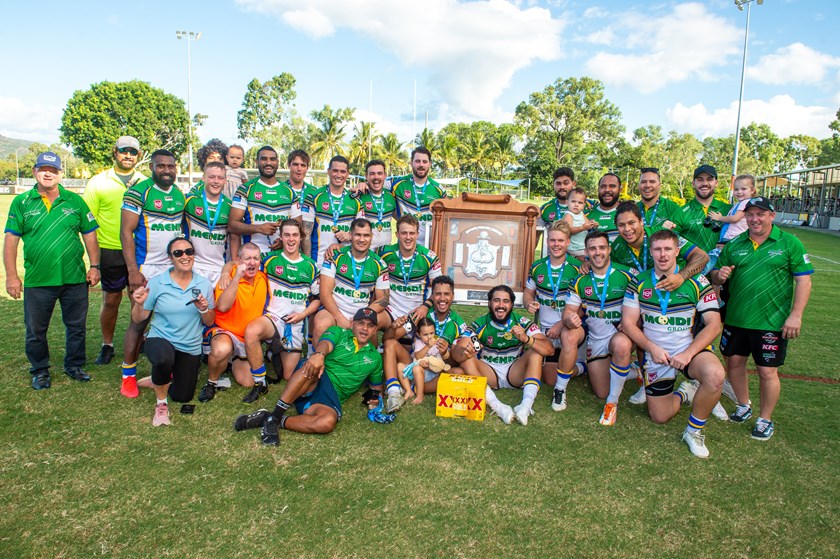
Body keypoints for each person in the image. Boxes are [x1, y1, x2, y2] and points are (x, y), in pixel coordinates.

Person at [711, 197, 813, 441]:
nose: (755, 219)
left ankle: (765, 418)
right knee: (734, 363)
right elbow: (716, 276)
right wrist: (719, 274)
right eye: (750, 214)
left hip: (772, 321)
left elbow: (803, 280)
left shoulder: (789, 243)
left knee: (767, 371)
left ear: (772, 215)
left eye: (761, 214)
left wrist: (796, 316)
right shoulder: (735, 244)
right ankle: (744, 405)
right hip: (736, 318)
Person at [621, 229, 725, 458]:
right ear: (652, 252)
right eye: (657, 249)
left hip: (688, 351)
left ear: (677, 251)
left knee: (715, 375)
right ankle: (685, 392)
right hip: (656, 355)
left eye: (668, 249)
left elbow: (714, 325)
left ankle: (693, 431)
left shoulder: (698, 281)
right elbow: (628, 324)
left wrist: (688, 354)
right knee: (660, 416)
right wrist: (651, 348)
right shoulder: (639, 282)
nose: (663, 254)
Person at [4, 152, 100, 390]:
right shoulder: (22, 202)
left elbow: (90, 234)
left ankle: (75, 365)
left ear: (60, 174)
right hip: (38, 279)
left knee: (76, 326)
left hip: (74, 277)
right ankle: (40, 370)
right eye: (43, 169)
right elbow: (11, 240)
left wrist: (95, 266)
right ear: (35, 172)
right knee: (36, 329)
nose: (48, 173)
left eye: (53, 170)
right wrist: (12, 276)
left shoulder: (74, 201)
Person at [233, 307, 383, 446]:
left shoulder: (375, 358)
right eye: (361, 323)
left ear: (375, 329)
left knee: (327, 422)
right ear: (352, 323)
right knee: (314, 365)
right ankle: (277, 413)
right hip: (314, 379)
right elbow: (326, 343)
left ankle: (271, 419)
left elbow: (376, 389)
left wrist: (376, 400)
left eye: (370, 326)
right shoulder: (339, 332)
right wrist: (319, 354)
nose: (365, 328)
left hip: (329, 397)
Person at [611, 201, 708, 405]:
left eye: (631, 223)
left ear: (641, 221)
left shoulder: (659, 234)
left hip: (679, 295)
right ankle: (646, 383)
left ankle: (700, 382)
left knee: (691, 336)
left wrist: (681, 276)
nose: (627, 229)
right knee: (638, 329)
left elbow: (702, 256)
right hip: (647, 298)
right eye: (621, 225)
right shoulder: (618, 246)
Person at [119, 149, 186, 398]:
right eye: (161, 166)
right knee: (139, 322)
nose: (166, 170)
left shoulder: (180, 195)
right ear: (152, 167)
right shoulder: (139, 192)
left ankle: (164, 372)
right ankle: (128, 376)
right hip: (145, 267)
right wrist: (133, 270)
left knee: (173, 320)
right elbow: (126, 232)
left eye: (171, 166)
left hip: (171, 268)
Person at [130, 237, 215, 426]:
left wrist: (203, 308)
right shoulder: (158, 282)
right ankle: (161, 405)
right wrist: (139, 304)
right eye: (178, 253)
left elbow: (210, 320)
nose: (185, 256)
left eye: (189, 252)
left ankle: (157, 379)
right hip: (161, 338)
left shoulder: (204, 284)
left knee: (182, 396)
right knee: (163, 360)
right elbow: (139, 319)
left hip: (190, 346)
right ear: (171, 258)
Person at [82, 136, 146, 365]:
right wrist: (94, 261)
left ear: (138, 155)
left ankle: (138, 341)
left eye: (133, 152)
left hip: (138, 250)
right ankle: (107, 344)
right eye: (124, 150)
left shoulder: (145, 182)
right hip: (109, 249)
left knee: (138, 298)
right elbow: (87, 222)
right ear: (115, 152)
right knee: (111, 300)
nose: (128, 155)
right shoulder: (98, 182)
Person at [241, 220, 320, 402]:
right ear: (281, 237)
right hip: (273, 319)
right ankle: (260, 383)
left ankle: (272, 351)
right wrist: (224, 272)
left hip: (294, 325)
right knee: (252, 331)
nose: (291, 239)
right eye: (287, 235)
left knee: (288, 374)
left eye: (295, 235)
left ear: (301, 237)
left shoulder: (311, 266)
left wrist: (302, 315)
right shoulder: (269, 259)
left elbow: (317, 299)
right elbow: (244, 264)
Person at [561, 231, 634, 425]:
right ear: (586, 252)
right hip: (596, 338)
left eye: (602, 247)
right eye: (593, 248)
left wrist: (633, 326)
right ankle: (631, 370)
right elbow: (568, 312)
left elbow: (642, 306)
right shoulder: (579, 280)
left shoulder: (626, 274)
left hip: (620, 335)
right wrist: (570, 320)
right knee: (601, 391)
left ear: (609, 250)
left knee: (621, 345)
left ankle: (612, 405)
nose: (598, 252)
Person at [467, 285, 554, 426]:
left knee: (536, 351)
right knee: (466, 358)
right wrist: (467, 350)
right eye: (496, 300)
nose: (501, 305)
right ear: (489, 303)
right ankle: (498, 406)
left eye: (506, 301)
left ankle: (525, 406)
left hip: (515, 372)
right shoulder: (480, 323)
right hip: (489, 374)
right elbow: (459, 350)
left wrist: (527, 339)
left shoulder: (522, 322)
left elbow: (549, 350)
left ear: (512, 304)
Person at [383, 275, 471, 412]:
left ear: (453, 296)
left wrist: (445, 353)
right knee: (390, 344)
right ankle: (394, 391)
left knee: (459, 372)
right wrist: (393, 327)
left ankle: (414, 387)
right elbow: (388, 339)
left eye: (446, 294)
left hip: (437, 369)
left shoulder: (458, 324)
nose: (442, 298)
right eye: (438, 294)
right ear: (432, 296)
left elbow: (454, 362)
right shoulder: (421, 315)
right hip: (415, 362)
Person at [198, 243, 269, 404]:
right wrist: (235, 277)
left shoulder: (263, 277)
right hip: (225, 331)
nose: (252, 263)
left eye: (256, 258)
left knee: (247, 381)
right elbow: (222, 306)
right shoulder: (229, 277)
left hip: (247, 338)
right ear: (239, 261)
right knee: (222, 348)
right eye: (248, 258)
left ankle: (230, 361)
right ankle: (212, 382)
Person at [523, 221, 585, 406]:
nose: (556, 244)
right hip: (546, 331)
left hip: (569, 328)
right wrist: (529, 303)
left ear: (568, 242)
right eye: (552, 240)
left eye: (560, 240)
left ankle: (560, 390)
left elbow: (584, 306)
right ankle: (583, 367)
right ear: (547, 241)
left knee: (568, 337)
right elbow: (528, 292)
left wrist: (561, 324)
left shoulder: (579, 268)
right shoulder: (537, 266)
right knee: (549, 378)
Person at [312, 218, 389, 346]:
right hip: (335, 309)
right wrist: (339, 317)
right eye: (358, 234)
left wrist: (363, 315)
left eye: (366, 235)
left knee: (372, 323)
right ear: (351, 235)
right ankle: (320, 362)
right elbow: (324, 293)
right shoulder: (335, 256)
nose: (362, 239)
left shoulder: (379, 264)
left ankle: (367, 361)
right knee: (321, 324)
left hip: (361, 311)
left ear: (371, 237)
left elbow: (384, 300)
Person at [377, 214, 442, 336]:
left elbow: (439, 290)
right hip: (391, 310)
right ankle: (370, 353)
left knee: (394, 341)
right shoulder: (384, 253)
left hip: (417, 310)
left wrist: (425, 306)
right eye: (404, 233)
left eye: (412, 233)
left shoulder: (429, 257)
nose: (408, 237)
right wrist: (339, 247)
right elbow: (362, 254)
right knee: (371, 322)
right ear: (397, 234)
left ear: (417, 234)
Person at [228, 145, 294, 256]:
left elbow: (298, 225)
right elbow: (232, 225)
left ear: (277, 162)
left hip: (282, 258)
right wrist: (259, 228)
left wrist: (283, 241)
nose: (268, 163)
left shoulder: (289, 191)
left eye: (272, 159)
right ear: (256, 162)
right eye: (264, 159)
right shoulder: (245, 189)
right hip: (253, 258)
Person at [306, 155, 363, 265]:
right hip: (319, 260)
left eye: (342, 171)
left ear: (347, 174)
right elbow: (306, 233)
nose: (338, 175)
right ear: (328, 171)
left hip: (346, 261)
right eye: (335, 171)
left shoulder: (356, 201)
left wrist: (350, 236)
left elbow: (363, 232)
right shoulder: (314, 196)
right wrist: (309, 263)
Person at [183, 161, 234, 283]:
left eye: (220, 178)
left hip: (219, 268)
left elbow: (234, 236)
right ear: (204, 178)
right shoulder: (190, 201)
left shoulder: (230, 206)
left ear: (225, 181)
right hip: (193, 266)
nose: (216, 181)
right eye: (211, 177)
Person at [391, 147, 447, 248]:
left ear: (430, 164)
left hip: (430, 246)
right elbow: (376, 183)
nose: (421, 165)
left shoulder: (438, 190)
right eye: (417, 161)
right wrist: (363, 185)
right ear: (411, 163)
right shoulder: (397, 184)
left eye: (424, 161)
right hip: (405, 245)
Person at [672, 165, 731, 261]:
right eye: (700, 180)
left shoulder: (728, 210)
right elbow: (670, 241)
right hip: (694, 272)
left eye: (709, 179)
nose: (705, 183)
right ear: (693, 183)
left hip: (725, 271)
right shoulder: (681, 212)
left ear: (716, 183)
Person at [395, 317, 440, 404]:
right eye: (425, 334)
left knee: (417, 368)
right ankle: (409, 390)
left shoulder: (437, 343)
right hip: (416, 370)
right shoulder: (418, 342)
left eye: (431, 333)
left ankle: (420, 395)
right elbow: (418, 356)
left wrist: (429, 365)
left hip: (430, 373)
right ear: (419, 334)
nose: (429, 337)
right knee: (399, 366)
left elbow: (439, 363)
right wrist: (428, 346)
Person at [359, 159, 398, 252]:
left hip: (385, 251)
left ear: (385, 175)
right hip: (365, 251)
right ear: (366, 176)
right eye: (372, 173)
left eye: (379, 173)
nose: (376, 177)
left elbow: (400, 218)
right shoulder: (359, 196)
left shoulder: (391, 196)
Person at [284, 149, 316, 257]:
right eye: (295, 164)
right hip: (285, 248)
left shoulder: (314, 192)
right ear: (288, 165)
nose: (299, 169)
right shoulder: (281, 189)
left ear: (307, 168)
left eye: (303, 165)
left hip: (309, 249)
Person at [563, 187, 598, 259]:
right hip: (573, 248)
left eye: (580, 202)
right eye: (573, 201)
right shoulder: (568, 215)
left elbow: (588, 223)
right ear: (567, 202)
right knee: (590, 260)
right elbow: (568, 230)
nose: (576, 204)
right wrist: (582, 228)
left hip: (582, 246)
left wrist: (593, 224)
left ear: (583, 205)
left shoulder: (581, 213)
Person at [586, 172, 622, 241]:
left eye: (612, 186)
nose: (607, 190)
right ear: (598, 189)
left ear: (620, 190)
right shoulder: (586, 214)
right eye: (603, 186)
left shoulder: (628, 213)